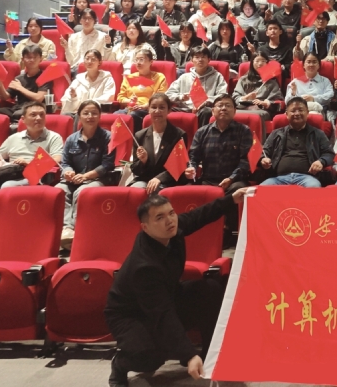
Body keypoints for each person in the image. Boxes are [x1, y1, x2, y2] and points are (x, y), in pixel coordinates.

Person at [104, 189, 245, 387]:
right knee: (150, 357)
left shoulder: (171, 230)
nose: (169, 220)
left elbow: (198, 216)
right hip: (129, 314)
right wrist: (188, 355)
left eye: (171, 213)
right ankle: (120, 364)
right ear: (145, 227)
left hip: (164, 297)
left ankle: (209, 357)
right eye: (160, 217)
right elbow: (162, 314)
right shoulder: (144, 266)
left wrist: (231, 199)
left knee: (209, 289)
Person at [57, 100, 115, 245]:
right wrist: (68, 172)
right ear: (79, 116)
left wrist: (85, 176)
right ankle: (66, 229)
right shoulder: (71, 139)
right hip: (73, 179)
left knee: (82, 192)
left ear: (100, 116)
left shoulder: (108, 137)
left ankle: (77, 230)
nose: (90, 116)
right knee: (60, 190)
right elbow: (65, 163)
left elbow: (107, 165)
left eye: (94, 113)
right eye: (86, 113)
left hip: (97, 180)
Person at [0, 101, 63, 192]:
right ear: (23, 119)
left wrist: (28, 163)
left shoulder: (54, 137)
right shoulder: (14, 137)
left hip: (34, 174)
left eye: (42, 115)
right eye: (33, 115)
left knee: (7, 186)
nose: (38, 118)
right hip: (11, 173)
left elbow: (56, 159)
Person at [259, 97, 335, 188]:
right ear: (286, 114)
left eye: (301, 110)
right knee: (262, 189)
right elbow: (263, 152)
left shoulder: (318, 134)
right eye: (293, 111)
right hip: (278, 177)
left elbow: (329, 153)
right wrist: (263, 159)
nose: (297, 113)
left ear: (307, 113)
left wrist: (321, 162)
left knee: (314, 188)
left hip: (308, 177)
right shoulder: (276, 133)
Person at [186, 94, 251, 194]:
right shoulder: (201, 132)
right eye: (220, 105)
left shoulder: (244, 131)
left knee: (238, 189)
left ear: (234, 111)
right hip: (207, 180)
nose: (224, 108)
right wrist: (191, 168)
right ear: (212, 111)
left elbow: (246, 161)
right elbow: (193, 157)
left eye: (228, 105)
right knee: (188, 190)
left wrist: (231, 178)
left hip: (234, 181)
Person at [130, 94, 188, 193]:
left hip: (169, 181)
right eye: (153, 107)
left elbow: (179, 166)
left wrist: (160, 178)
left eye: (162, 107)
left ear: (169, 110)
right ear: (148, 110)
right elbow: (135, 170)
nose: (157, 111)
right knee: (135, 191)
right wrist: (143, 161)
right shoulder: (140, 135)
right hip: (145, 179)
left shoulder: (179, 135)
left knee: (155, 190)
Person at [0, 44, 50, 123]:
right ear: (22, 59)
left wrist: (19, 88)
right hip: (16, 109)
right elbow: (5, 96)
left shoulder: (45, 77)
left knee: (18, 114)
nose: (32, 60)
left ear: (41, 59)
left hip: (34, 109)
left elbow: (39, 98)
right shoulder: (19, 78)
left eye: (35, 57)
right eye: (28, 57)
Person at [165, 46, 228, 126]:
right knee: (164, 109)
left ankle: (201, 133)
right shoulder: (184, 77)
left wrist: (206, 102)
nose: (200, 60)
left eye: (203, 57)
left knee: (207, 111)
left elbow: (223, 96)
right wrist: (181, 97)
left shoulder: (217, 76)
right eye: (197, 57)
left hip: (204, 109)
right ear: (191, 60)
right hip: (186, 108)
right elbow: (168, 95)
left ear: (209, 60)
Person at [232, 51, 282, 138]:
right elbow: (235, 96)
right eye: (257, 61)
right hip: (243, 108)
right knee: (230, 114)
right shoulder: (243, 79)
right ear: (252, 63)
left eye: (263, 61)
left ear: (267, 63)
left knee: (256, 116)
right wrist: (245, 98)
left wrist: (266, 103)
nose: (260, 63)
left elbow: (278, 100)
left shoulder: (272, 82)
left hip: (261, 110)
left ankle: (258, 143)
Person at [117, 48, 168, 132]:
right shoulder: (129, 77)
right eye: (136, 60)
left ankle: (136, 139)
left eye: (141, 59)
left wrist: (146, 105)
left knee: (133, 115)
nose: (138, 62)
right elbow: (120, 97)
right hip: (129, 108)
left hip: (148, 109)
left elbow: (161, 97)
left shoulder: (159, 77)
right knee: (116, 115)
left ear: (151, 62)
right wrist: (130, 101)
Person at [61, 49, 117, 116]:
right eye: (87, 59)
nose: (89, 62)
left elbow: (108, 97)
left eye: (93, 59)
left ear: (99, 62)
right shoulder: (79, 79)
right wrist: (74, 97)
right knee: (66, 115)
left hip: (98, 113)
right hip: (79, 113)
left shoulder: (107, 78)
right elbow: (67, 97)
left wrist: (88, 104)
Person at [285, 52, 335, 120]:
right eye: (308, 62)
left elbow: (330, 96)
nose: (311, 65)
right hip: (298, 111)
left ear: (319, 65)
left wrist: (313, 99)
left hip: (317, 110)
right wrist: (293, 94)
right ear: (303, 65)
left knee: (312, 116)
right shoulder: (295, 82)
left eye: (314, 62)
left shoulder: (325, 81)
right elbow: (287, 102)